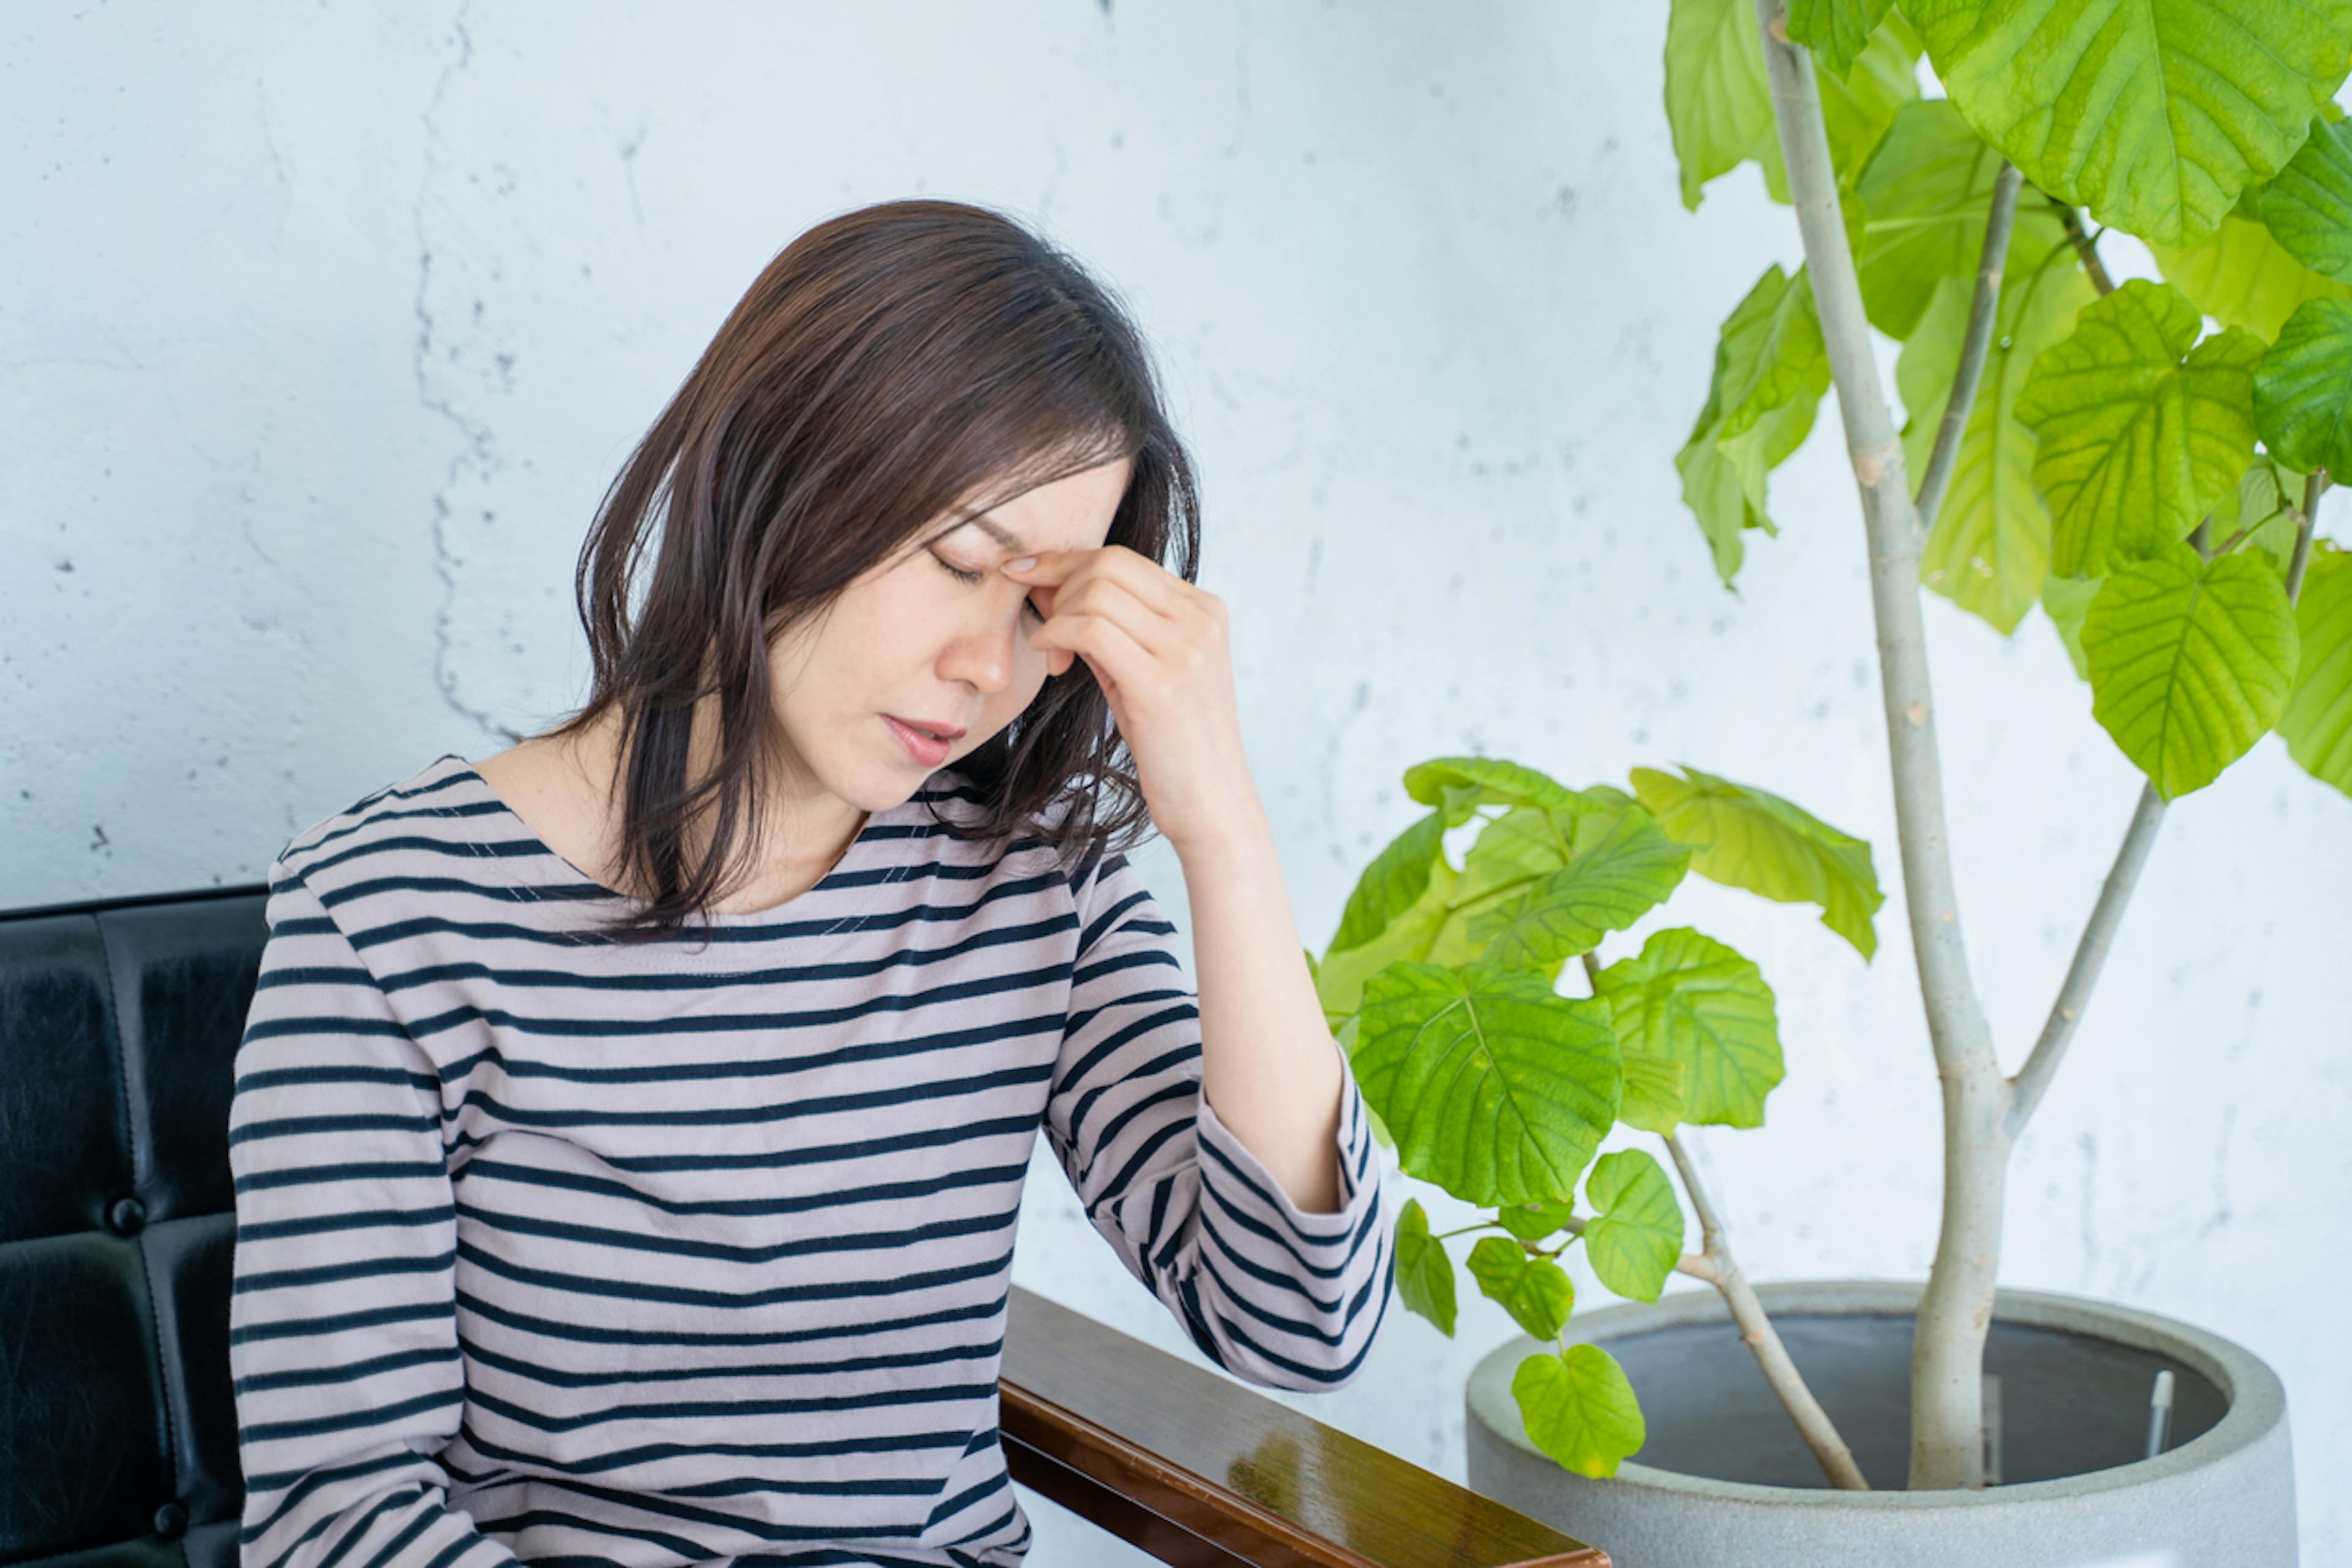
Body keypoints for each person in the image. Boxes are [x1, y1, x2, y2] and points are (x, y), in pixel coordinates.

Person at [227, 197, 1392, 1568]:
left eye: (1039, 609)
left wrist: (1221, 826)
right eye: (959, 561)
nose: (986, 668)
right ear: (777, 479)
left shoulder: (1028, 891)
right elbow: (337, 1522)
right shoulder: (391, 916)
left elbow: (1299, 1319)